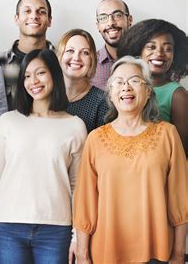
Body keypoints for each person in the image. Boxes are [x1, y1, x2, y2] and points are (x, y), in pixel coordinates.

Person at [73, 56, 187, 264]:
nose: (125, 87)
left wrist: (179, 254)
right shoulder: (96, 139)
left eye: (134, 80)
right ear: (111, 93)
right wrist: (82, 252)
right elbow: (85, 203)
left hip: (157, 252)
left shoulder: (167, 134)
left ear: (148, 90)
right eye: (118, 82)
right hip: (106, 252)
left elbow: (180, 199)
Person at [0, 49, 87, 263]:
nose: (34, 81)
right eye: (27, 76)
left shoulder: (75, 126)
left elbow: (77, 185)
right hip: (7, 227)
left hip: (56, 229)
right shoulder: (8, 121)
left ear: (54, 75)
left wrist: (77, 235)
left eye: (40, 73)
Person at [118, 19, 188, 154]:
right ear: (139, 50)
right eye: (151, 47)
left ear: (174, 56)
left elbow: (182, 150)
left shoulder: (178, 95)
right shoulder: (124, 88)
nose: (160, 53)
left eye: (168, 49)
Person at [0, 0, 55, 110]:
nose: (34, 16)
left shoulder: (63, 60)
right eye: (27, 11)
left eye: (41, 12)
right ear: (16, 19)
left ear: (50, 20)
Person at [56, 29, 108, 133]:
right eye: (70, 51)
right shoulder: (45, 95)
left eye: (85, 52)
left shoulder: (103, 102)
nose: (76, 58)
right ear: (59, 55)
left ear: (92, 60)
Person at [91, 0, 133, 90]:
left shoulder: (146, 59)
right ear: (98, 26)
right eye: (103, 18)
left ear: (129, 20)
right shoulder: (89, 64)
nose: (111, 22)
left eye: (118, 15)